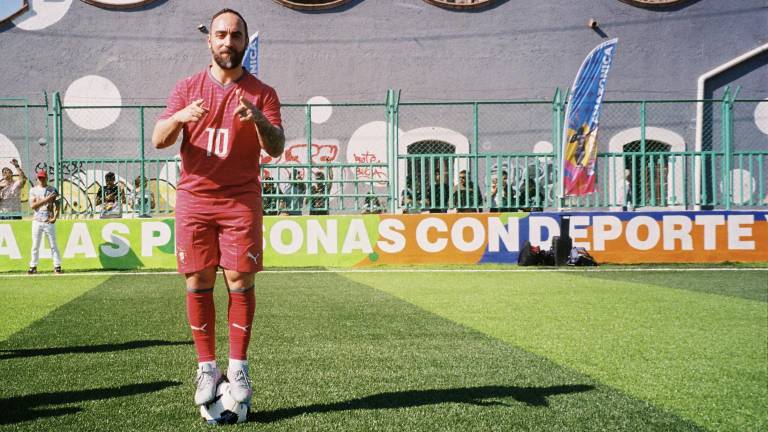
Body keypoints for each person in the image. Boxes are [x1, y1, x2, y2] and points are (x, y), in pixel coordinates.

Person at [151, 8, 285, 409]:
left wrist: (257, 117)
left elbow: (276, 148)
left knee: (240, 283)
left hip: (241, 200)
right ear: (209, 40)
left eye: (236, 35)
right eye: (221, 34)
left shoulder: (263, 93)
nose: (228, 41)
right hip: (194, 200)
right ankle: (207, 366)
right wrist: (180, 116)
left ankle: (239, 366)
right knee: (197, 282)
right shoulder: (187, 88)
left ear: (245, 42)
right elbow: (159, 139)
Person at [28, 170, 61, 274]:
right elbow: (33, 206)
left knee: (53, 244)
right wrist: (46, 199)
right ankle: (33, 266)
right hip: (37, 220)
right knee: (35, 245)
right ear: (37, 178)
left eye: (43, 177)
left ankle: (57, 266)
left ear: (46, 178)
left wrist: (55, 216)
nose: (41, 180)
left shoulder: (52, 190)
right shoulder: (33, 190)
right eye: (39, 178)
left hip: (48, 220)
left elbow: (58, 204)